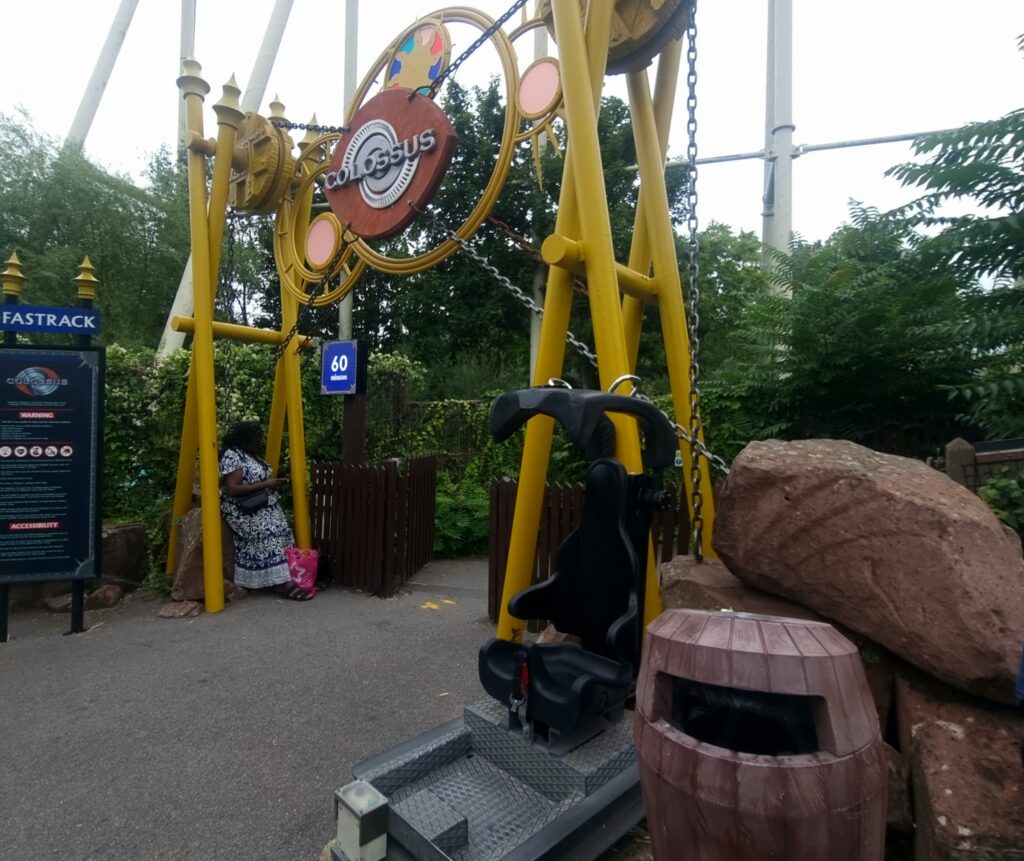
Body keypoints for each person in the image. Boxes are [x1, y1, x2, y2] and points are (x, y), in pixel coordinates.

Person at [219, 421, 313, 600]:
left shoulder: (251, 454)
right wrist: (266, 484)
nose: (258, 442)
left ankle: (282, 576)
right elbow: (232, 489)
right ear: (244, 439)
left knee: (282, 531)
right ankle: (282, 583)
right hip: (242, 509)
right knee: (267, 533)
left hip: (261, 505)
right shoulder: (233, 455)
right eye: (255, 440)